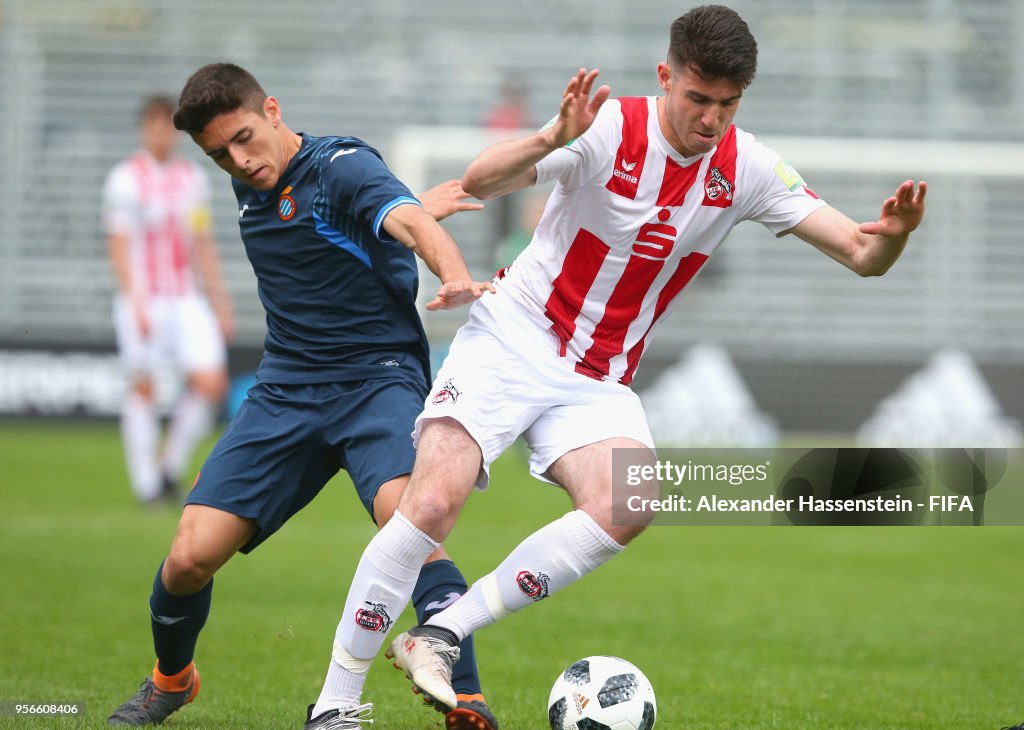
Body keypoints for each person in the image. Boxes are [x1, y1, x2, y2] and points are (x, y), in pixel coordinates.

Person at [323, 3, 929, 717]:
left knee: (632, 500)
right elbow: (480, 181)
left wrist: (893, 234)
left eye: (727, 104)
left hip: (598, 377)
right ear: (665, 76)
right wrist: (554, 135)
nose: (710, 119)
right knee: (430, 504)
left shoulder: (749, 167)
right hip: (514, 335)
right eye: (697, 98)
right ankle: (336, 703)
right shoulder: (607, 129)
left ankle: (444, 631)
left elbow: (862, 255)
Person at [107, 63, 499, 730]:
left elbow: (400, 219)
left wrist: (454, 273)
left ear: (275, 111)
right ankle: (172, 680)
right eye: (219, 154)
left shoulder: (342, 165)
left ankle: (466, 697)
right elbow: (349, 227)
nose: (238, 160)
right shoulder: (255, 187)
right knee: (187, 558)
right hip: (286, 389)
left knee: (408, 521)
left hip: (376, 380)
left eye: (244, 138)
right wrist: (408, 209)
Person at [103, 95, 235, 505]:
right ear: (145, 128)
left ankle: (169, 467)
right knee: (143, 387)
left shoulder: (191, 178)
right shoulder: (125, 178)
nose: (162, 133)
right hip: (145, 298)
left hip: (185, 297)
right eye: (155, 124)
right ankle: (147, 486)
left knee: (212, 383)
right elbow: (120, 245)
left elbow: (202, 242)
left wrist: (219, 299)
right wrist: (135, 302)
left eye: (168, 126)